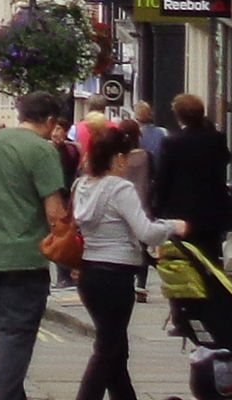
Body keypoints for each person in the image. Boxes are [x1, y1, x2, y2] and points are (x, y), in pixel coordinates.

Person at [0, 89, 75, 400]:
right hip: (25, 255)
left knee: (0, 334)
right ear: (50, 120)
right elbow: (55, 213)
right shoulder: (42, 150)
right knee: (16, 334)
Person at [74, 120, 183, 400]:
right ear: (118, 158)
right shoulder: (120, 189)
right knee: (108, 349)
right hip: (116, 274)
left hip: (90, 273)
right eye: (127, 156)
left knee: (115, 348)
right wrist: (173, 226)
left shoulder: (82, 185)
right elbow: (146, 232)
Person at [150, 94, 232, 316]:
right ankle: (212, 307)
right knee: (210, 262)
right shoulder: (216, 139)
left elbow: (163, 179)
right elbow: (225, 160)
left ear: (178, 116)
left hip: (180, 217)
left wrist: (155, 209)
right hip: (211, 214)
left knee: (181, 264)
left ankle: (183, 313)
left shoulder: (172, 142)